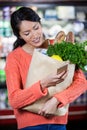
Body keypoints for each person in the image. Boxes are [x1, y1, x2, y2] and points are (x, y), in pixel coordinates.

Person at [5, 7, 87, 130]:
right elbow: (14, 100)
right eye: (27, 33)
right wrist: (43, 84)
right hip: (30, 126)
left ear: (40, 24)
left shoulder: (59, 46)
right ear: (20, 36)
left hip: (58, 123)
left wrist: (56, 100)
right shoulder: (14, 57)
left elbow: (81, 83)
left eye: (36, 28)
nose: (35, 35)